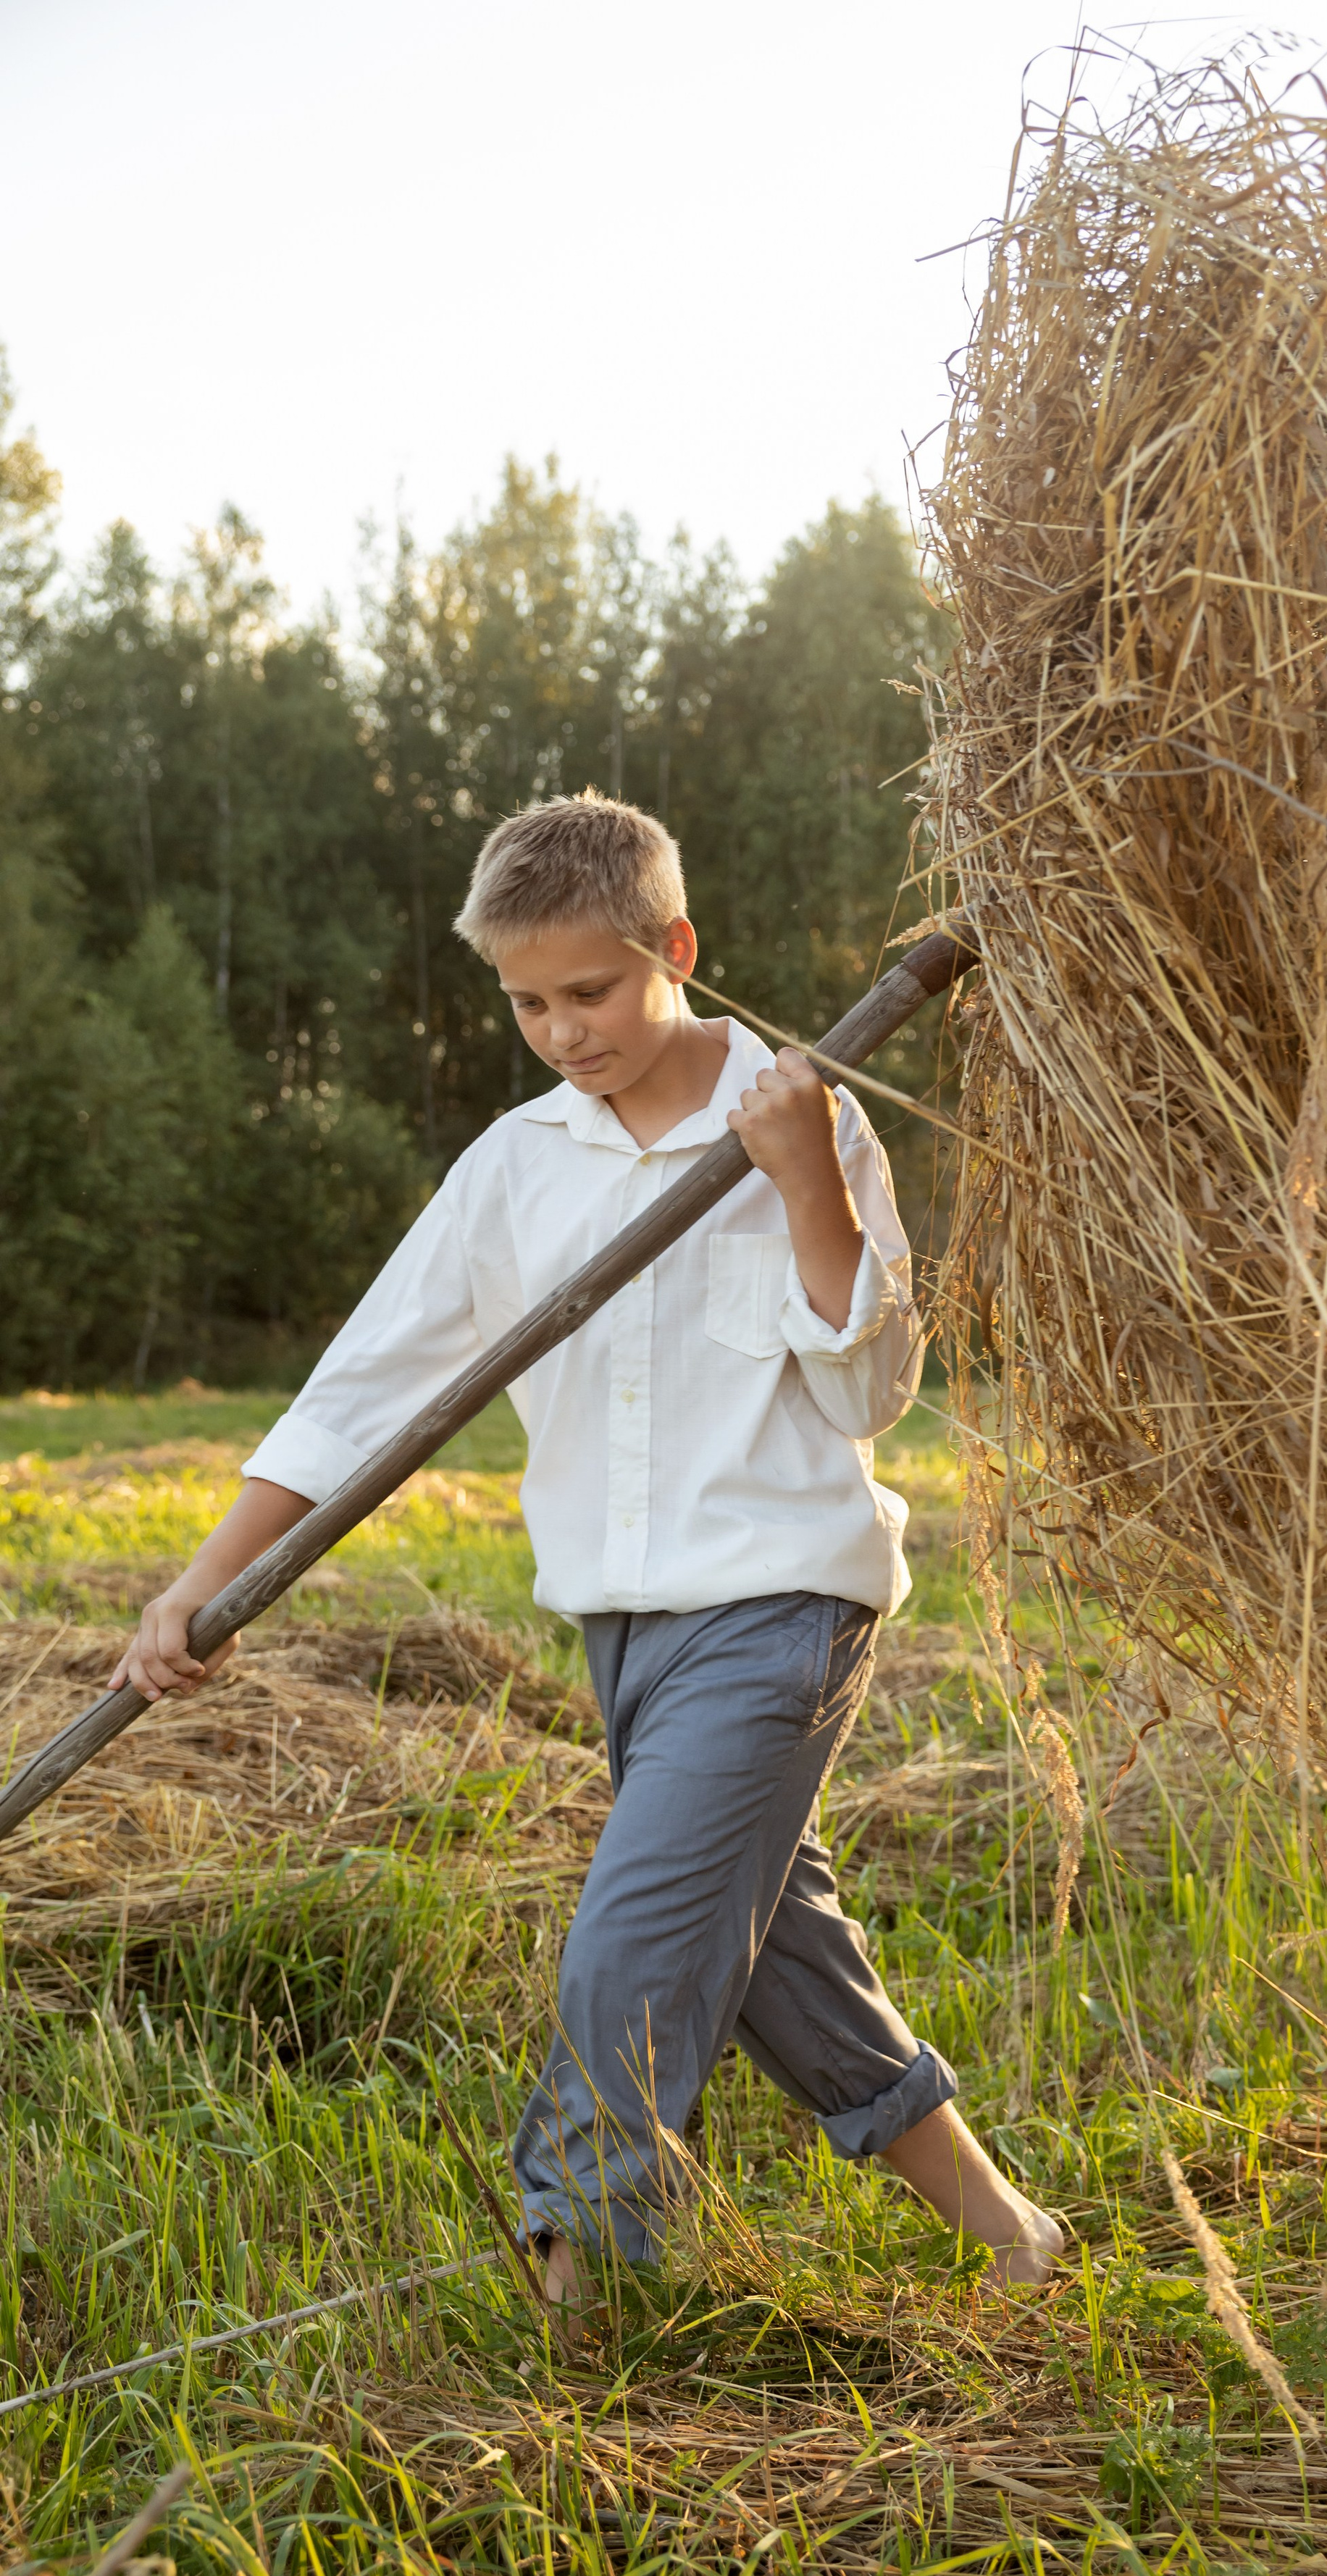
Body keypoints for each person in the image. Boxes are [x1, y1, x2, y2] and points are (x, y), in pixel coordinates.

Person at [114, 791, 1065, 2307]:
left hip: (781, 1605)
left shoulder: (799, 1111)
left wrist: (803, 1178)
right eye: (526, 1002)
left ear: (674, 948)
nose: (562, 1030)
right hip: (624, 1628)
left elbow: (875, 1389)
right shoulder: (513, 1165)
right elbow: (359, 1387)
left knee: (630, 1949)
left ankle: (575, 2290)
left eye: (592, 990)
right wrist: (200, 1586)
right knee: (767, 1959)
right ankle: (1019, 2241)